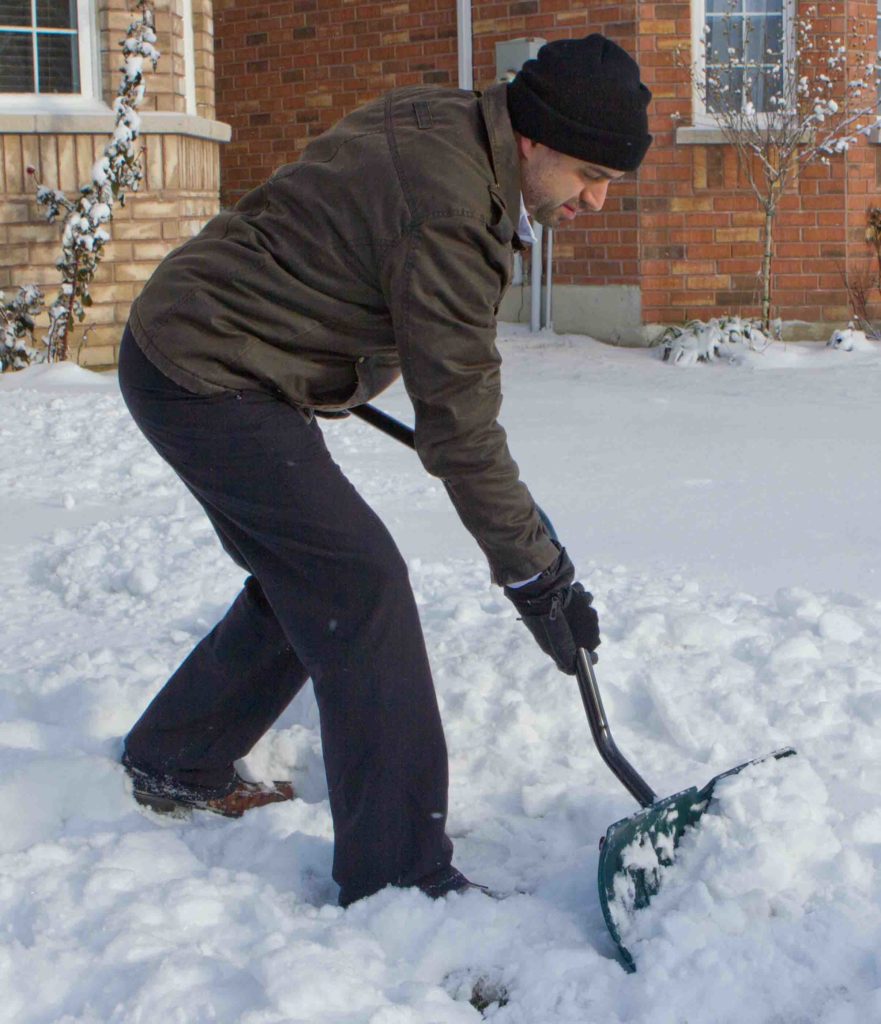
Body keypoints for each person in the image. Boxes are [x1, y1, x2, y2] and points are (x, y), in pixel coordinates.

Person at [117, 33, 652, 907]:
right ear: (533, 138)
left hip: (215, 347)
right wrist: (534, 572)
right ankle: (399, 876)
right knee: (357, 584)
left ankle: (178, 757)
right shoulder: (449, 206)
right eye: (588, 172)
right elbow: (459, 426)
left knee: (313, 572)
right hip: (205, 371)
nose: (595, 198)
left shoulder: (449, 119)